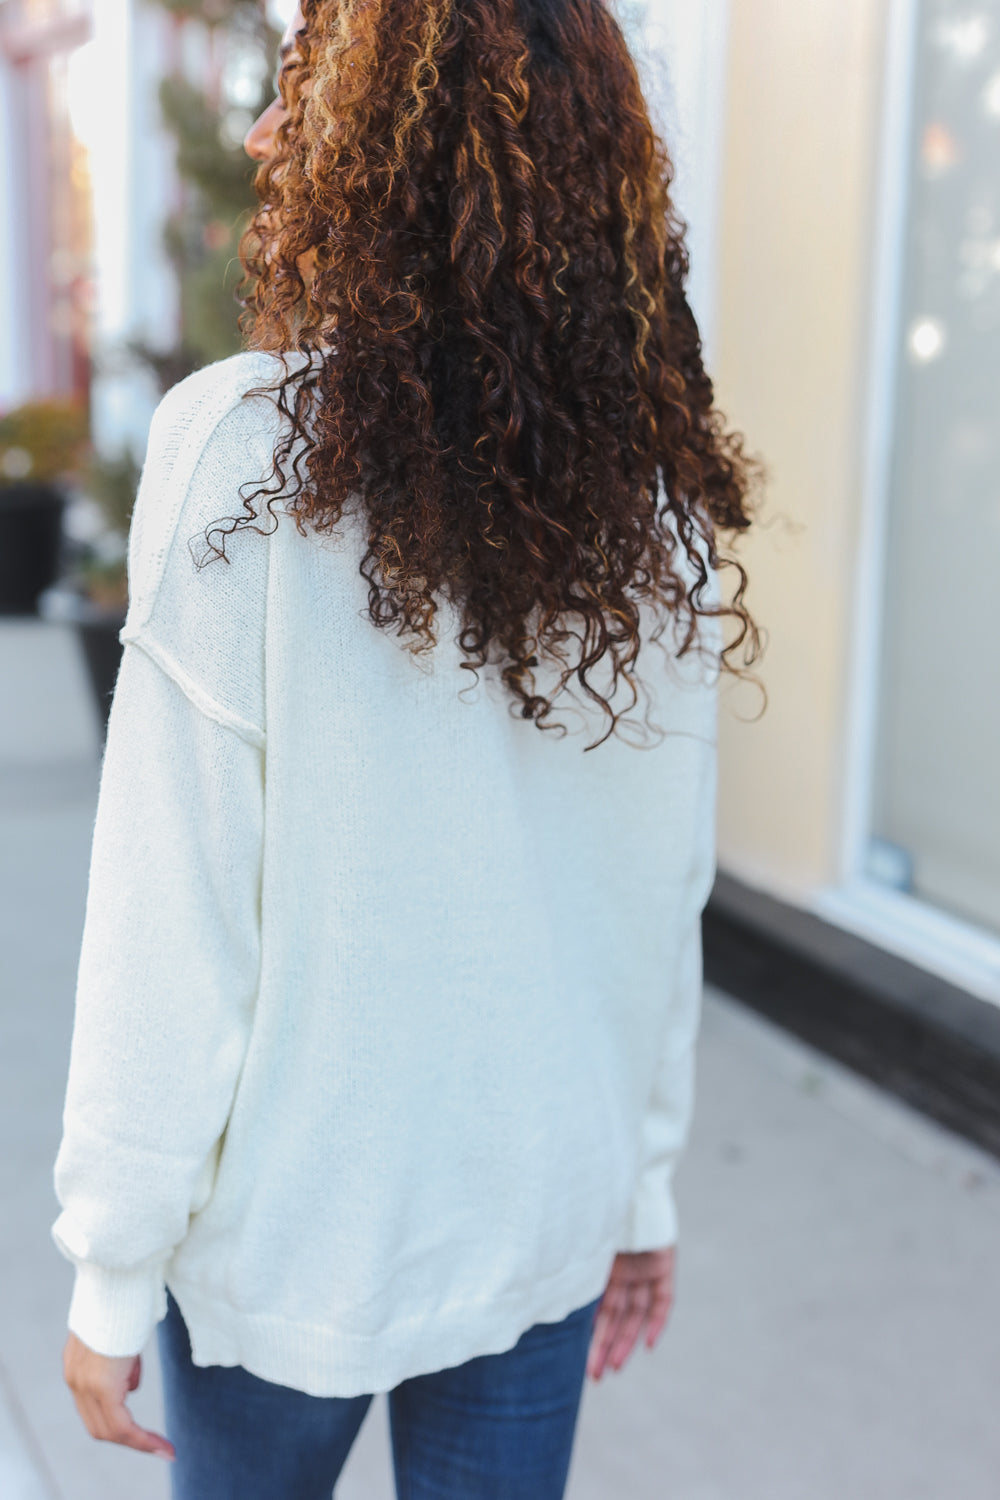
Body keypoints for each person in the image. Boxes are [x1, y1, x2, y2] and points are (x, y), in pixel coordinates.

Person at [53, 1, 760, 1495]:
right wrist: (638, 1189)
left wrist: (111, 1265)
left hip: (292, 1252)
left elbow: (173, 916)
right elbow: (662, 891)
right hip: (541, 1220)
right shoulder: (655, 512)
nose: (261, 137)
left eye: (301, 92)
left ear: (388, 149)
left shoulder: (242, 457)